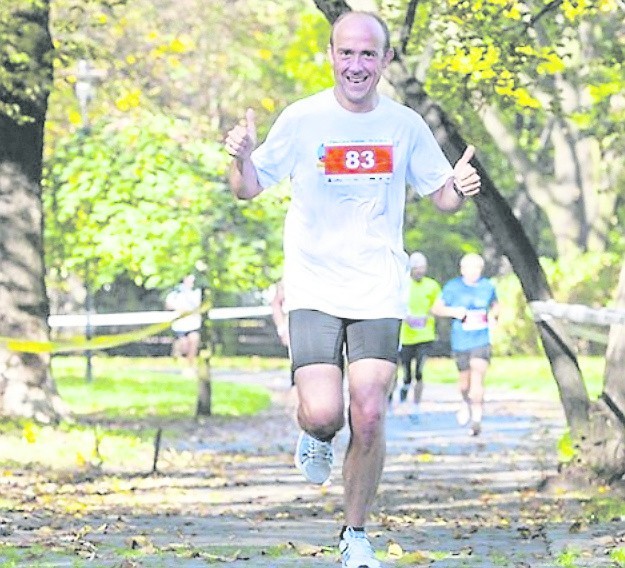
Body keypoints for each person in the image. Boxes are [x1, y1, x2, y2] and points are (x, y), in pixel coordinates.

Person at [224, 11, 481, 568]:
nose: (357, 65)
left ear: (386, 60)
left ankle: (355, 534)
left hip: (377, 289)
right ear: (331, 55)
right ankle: (314, 435)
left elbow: (440, 193)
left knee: (368, 414)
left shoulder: (404, 124)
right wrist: (240, 157)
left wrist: (459, 189)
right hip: (314, 285)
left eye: (369, 55)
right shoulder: (302, 119)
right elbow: (247, 189)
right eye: (348, 53)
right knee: (323, 413)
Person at [431, 253, 499, 437]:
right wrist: (453, 311)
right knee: (464, 383)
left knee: (478, 376)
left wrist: (494, 319)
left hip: (481, 339)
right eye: (469, 268)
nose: (473, 272)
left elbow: (495, 306)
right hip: (461, 340)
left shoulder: (487, 286)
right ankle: (464, 402)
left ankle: (477, 418)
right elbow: (436, 309)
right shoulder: (453, 287)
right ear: (462, 270)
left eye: (477, 268)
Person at [394, 251, 441, 409]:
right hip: (406, 336)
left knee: (419, 371)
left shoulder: (432, 285)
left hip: (425, 334)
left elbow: (438, 305)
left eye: (422, 268)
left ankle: (416, 405)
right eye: (416, 268)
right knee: (406, 372)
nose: (420, 271)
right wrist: (406, 317)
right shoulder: (403, 284)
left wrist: (430, 314)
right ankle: (404, 388)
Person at [165, 274, 202, 377]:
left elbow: (199, 305)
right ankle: (178, 354)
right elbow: (169, 304)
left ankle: (190, 366)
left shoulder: (197, 292)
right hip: (180, 324)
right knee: (184, 345)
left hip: (193, 323)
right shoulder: (176, 292)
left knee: (194, 340)